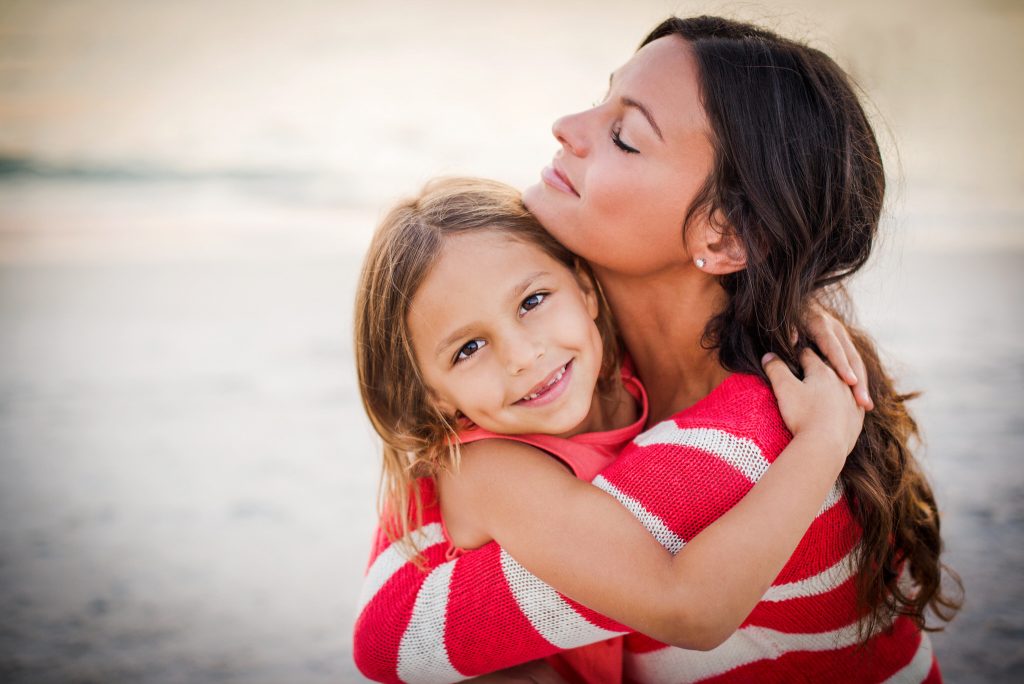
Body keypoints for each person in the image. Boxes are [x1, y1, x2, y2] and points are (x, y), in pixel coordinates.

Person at [355, 15, 961, 683]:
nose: (566, 125)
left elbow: (393, 634)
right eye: (602, 95)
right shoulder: (586, 362)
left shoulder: (753, 445)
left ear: (726, 237)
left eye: (624, 136)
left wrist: (823, 439)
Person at [353, 177, 863, 683]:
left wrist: (793, 307)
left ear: (584, 289)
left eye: (532, 301)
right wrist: (822, 442)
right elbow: (691, 612)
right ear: (436, 396)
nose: (522, 355)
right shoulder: (491, 473)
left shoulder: (612, 367)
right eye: (468, 349)